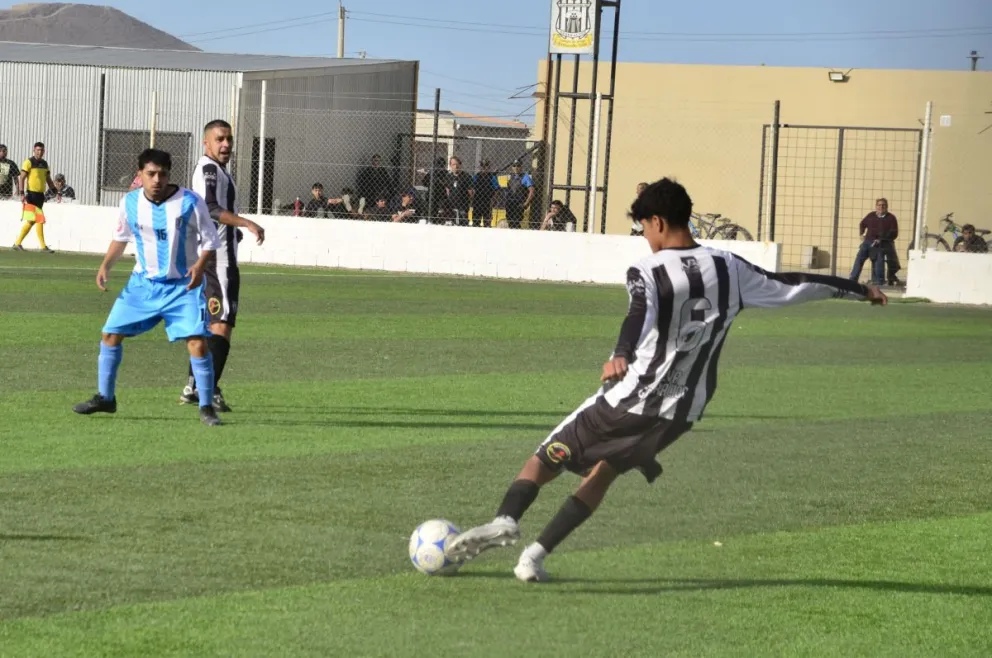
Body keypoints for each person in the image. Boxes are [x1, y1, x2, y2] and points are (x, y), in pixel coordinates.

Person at [445, 178, 887, 583]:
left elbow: (638, 314)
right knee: (603, 474)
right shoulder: (729, 266)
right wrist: (858, 289)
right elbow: (792, 283)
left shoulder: (648, 271)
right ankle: (534, 558)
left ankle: (506, 519)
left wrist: (619, 354)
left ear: (657, 221)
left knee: (545, 458)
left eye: (643, 228)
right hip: (684, 411)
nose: (645, 238)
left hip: (632, 397)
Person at [72, 149, 223, 426]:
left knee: (197, 343)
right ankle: (106, 398)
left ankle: (206, 406)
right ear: (139, 174)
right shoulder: (129, 202)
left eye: (162, 174)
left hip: (183, 287)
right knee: (109, 335)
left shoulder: (190, 202)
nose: (157, 180)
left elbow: (211, 241)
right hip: (142, 285)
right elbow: (121, 237)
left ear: (169, 174)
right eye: (150, 174)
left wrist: (199, 267)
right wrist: (105, 266)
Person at [179, 120, 266, 412]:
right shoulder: (209, 170)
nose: (226, 144)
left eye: (229, 139)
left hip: (211, 255)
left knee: (209, 324)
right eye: (220, 139)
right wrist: (246, 223)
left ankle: (194, 385)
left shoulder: (215, 169)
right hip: (219, 260)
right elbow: (212, 208)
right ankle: (208, 389)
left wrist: (233, 231)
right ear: (207, 143)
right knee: (222, 324)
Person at [13, 142, 56, 253]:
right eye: (38, 150)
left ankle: (17, 243)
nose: (39, 152)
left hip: (40, 195)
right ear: (34, 150)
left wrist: (55, 190)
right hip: (31, 195)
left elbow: (48, 179)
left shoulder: (45, 164)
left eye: (41, 150)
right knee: (40, 219)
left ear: (44, 151)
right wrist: (22, 193)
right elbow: (21, 178)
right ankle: (43, 247)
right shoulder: (28, 162)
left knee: (32, 220)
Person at [849, 199, 900, 286]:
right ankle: (852, 280)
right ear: (876, 206)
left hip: (881, 244)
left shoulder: (891, 218)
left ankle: (879, 282)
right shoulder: (871, 215)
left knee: (879, 261)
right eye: (879, 205)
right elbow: (862, 224)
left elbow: (894, 233)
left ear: (887, 206)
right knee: (859, 260)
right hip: (867, 242)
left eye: (883, 205)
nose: (881, 207)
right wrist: (861, 234)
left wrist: (882, 239)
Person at [503, 160, 534, 229]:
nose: (516, 167)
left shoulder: (525, 177)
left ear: (521, 167)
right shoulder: (511, 177)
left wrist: (526, 203)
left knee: (516, 223)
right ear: (512, 167)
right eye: (514, 166)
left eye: (518, 165)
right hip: (510, 203)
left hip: (519, 204)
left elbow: (531, 191)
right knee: (510, 222)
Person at [446, 156, 474, 226]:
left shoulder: (467, 177)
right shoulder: (449, 177)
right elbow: (448, 190)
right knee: (451, 224)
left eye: (456, 164)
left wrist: (468, 202)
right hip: (451, 206)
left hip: (463, 206)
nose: (455, 166)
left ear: (460, 165)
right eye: (453, 164)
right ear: (450, 166)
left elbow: (470, 192)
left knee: (463, 223)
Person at [472, 160, 499, 228]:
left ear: (489, 167)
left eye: (486, 166)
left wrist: (493, 200)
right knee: (476, 222)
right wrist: (472, 198)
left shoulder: (492, 177)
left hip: (488, 202)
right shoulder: (476, 176)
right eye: (482, 166)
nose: (484, 168)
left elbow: (496, 190)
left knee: (487, 223)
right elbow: (471, 187)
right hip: (477, 202)